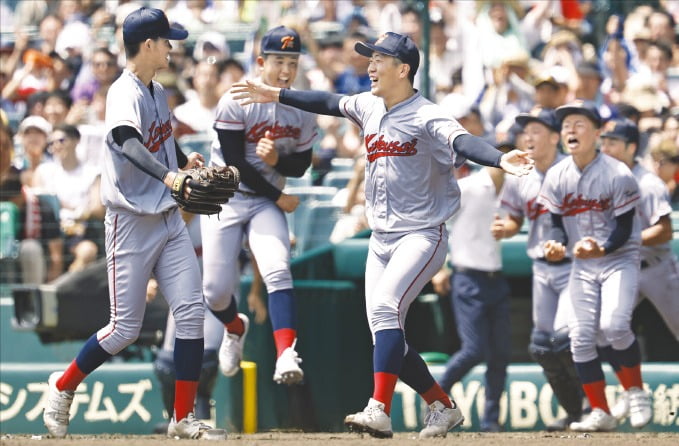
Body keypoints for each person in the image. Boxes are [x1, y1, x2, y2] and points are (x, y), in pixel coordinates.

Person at [230, 31, 533, 438]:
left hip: (421, 235)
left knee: (386, 311)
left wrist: (498, 157)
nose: (370, 66)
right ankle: (441, 406)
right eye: (369, 58)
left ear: (403, 69)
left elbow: (463, 141)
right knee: (386, 330)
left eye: (379, 59)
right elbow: (326, 102)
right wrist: (275, 94)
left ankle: (379, 408)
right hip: (381, 237)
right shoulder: (368, 105)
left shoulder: (428, 115)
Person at [42, 7, 226, 440]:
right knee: (124, 329)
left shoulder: (156, 90)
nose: (171, 47)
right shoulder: (122, 93)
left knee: (191, 314)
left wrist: (182, 161)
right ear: (147, 45)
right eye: (166, 40)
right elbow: (126, 141)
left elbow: (160, 135)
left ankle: (182, 419)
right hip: (130, 222)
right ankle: (63, 386)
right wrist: (169, 174)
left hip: (166, 218)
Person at [200, 26, 319, 386]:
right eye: (279, 60)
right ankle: (235, 328)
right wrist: (279, 194)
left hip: (265, 200)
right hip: (226, 196)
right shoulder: (236, 98)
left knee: (278, 269)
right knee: (215, 292)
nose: (285, 68)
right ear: (262, 62)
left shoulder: (301, 106)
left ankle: (286, 354)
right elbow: (236, 164)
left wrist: (279, 163)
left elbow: (301, 164)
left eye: (292, 61)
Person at [538, 101, 652, 432]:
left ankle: (636, 392)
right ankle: (600, 411)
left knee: (615, 326)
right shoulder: (557, 174)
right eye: (566, 125)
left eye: (579, 124)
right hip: (582, 264)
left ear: (598, 133)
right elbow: (556, 223)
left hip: (619, 257)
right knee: (581, 338)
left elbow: (624, 227)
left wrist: (601, 246)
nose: (570, 130)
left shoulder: (618, 173)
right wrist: (556, 244)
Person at [492, 107, 584, 431]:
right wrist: (507, 227)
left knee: (563, 339)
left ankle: (593, 404)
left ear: (556, 137)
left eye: (536, 131)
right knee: (541, 346)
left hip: (576, 265)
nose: (528, 137)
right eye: (525, 131)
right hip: (541, 268)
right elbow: (514, 215)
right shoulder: (522, 174)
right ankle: (575, 411)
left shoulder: (574, 170)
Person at [598, 118, 679, 422]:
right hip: (625, 265)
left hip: (656, 267)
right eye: (603, 141)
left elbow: (664, 231)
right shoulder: (603, 178)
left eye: (613, 142)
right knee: (603, 332)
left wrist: (622, 239)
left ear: (632, 147)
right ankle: (631, 392)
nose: (606, 147)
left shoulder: (648, 182)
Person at [433, 145, 511, 433]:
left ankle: (491, 421)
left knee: (500, 354)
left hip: (495, 277)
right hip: (467, 277)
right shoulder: (468, 186)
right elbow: (437, 220)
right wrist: (440, 268)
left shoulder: (513, 191)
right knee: (474, 349)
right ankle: (435, 395)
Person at [33, 124, 104, 273]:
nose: (56, 146)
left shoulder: (92, 173)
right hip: (49, 231)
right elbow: (38, 202)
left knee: (87, 251)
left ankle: (64, 288)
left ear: (76, 140)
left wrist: (76, 213)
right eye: (51, 143)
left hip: (79, 231)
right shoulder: (44, 171)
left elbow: (97, 208)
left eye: (61, 140)